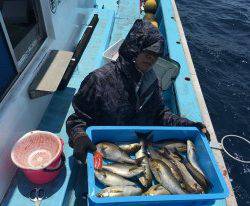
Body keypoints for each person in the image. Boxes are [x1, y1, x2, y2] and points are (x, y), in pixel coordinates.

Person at [66, 19, 210, 163]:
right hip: (106, 151)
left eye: (156, 55)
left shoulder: (152, 80)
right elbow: (77, 120)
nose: (151, 59)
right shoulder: (99, 79)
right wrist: (79, 137)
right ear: (133, 49)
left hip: (141, 149)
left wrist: (189, 125)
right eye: (147, 53)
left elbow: (159, 114)